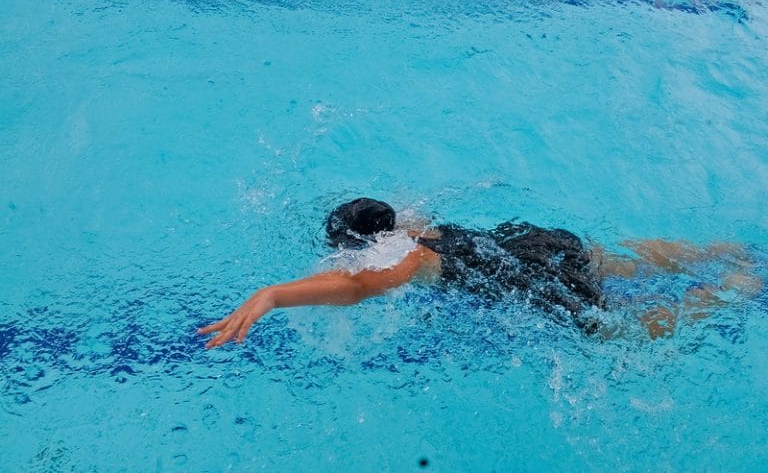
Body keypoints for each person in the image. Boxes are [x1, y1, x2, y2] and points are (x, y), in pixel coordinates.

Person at [199, 197, 762, 348]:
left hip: (529, 281)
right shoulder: (415, 223)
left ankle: (735, 288)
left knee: (625, 336)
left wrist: (272, 294)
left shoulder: (406, 258)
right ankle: (722, 251)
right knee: (622, 261)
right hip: (537, 242)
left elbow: (357, 287)